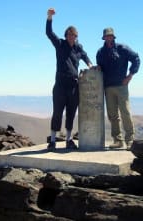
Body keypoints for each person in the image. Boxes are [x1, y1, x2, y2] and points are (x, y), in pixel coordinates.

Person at [46, 8, 93, 151]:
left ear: (76, 36)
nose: (72, 37)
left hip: (73, 85)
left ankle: (68, 140)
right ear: (66, 35)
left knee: (71, 114)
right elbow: (49, 33)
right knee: (57, 113)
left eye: (74, 35)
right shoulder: (60, 44)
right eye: (69, 34)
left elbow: (85, 56)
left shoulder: (78, 48)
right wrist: (49, 17)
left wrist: (90, 64)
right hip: (60, 85)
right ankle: (53, 140)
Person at [96, 27, 140, 150]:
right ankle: (118, 140)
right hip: (108, 87)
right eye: (106, 36)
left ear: (113, 37)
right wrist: (98, 68)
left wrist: (130, 75)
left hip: (121, 86)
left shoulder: (123, 48)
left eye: (110, 36)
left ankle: (130, 140)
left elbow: (136, 59)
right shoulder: (100, 52)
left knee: (125, 112)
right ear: (104, 38)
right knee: (112, 115)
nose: (108, 38)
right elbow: (101, 68)